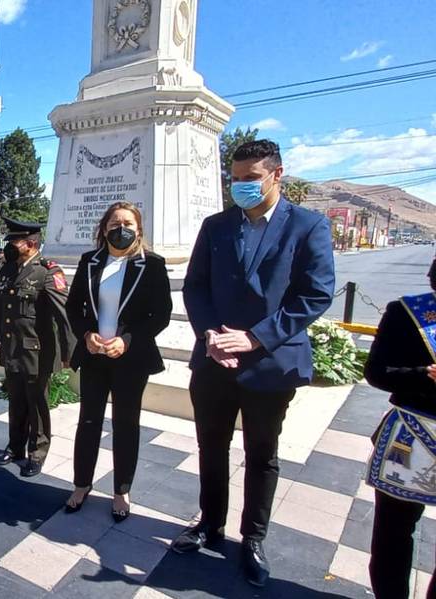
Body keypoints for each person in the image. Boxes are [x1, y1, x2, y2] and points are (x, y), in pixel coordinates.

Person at [173, 140, 335, 587]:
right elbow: (195, 286)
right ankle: (210, 524)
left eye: (250, 178)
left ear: (276, 174)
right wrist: (210, 333)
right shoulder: (216, 226)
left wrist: (254, 337)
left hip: (269, 364)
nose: (240, 186)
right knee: (211, 448)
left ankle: (252, 540)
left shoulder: (307, 226)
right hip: (214, 361)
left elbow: (315, 294)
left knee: (261, 455)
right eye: (235, 179)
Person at [63, 202, 172, 521]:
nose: (120, 228)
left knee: (126, 424)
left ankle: (121, 490)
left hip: (131, 359)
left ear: (138, 229)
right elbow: (74, 308)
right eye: (114, 222)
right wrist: (86, 336)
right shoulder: (90, 262)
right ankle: (81, 484)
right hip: (95, 355)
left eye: (127, 223)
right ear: (104, 227)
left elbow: (160, 314)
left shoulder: (151, 265)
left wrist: (127, 340)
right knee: (88, 422)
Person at [363, 264, 436, 598]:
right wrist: (423, 374)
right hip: (411, 437)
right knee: (393, 534)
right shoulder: (407, 313)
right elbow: (377, 372)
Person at [0, 217, 75, 477]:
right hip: (13, 347)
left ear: (31, 243)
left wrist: (70, 352)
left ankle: (37, 452)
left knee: (36, 403)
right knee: (16, 401)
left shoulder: (48, 271)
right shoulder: (8, 268)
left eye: (15, 241)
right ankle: (15, 447)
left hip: (37, 351)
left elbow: (65, 314)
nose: (10, 246)